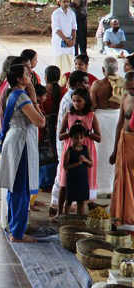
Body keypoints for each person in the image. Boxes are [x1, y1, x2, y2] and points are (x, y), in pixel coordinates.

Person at [0, 63, 46, 242]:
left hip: (16, 140)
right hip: (20, 144)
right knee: (20, 189)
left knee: (15, 187)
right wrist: (34, 98)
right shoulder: (21, 97)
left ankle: (15, 227)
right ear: (19, 78)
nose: (30, 75)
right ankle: (17, 233)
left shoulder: (12, 94)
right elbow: (40, 122)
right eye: (27, 73)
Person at [50, 70, 89, 212]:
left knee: (63, 172)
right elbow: (71, 128)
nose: (88, 85)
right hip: (68, 142)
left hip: (69, 141)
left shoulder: (71, 97)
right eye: (85, 82)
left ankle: (61, 203)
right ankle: (56, 204)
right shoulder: (71, 101)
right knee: (63, 173)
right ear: (78, 83)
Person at [57, 88, 100, 215]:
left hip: (86, 151)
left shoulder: (91, 116)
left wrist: (87, 133)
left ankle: (80, 213)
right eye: (74, 101)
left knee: (83, 182)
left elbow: (98, 137)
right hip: (70, 150)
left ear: (86, 101)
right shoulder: (69, 115)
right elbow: (60, 136)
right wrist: (70, 133)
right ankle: (60, 212)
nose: (76, 103)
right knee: (64, 183)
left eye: (79, 101)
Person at [92, 57, 123, 195]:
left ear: (103, 70)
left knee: (100, 153)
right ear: (116, 70)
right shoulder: (124, 84)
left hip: (101, 120)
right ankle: (114, 187)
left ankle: (99, 187)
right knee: (117, 150)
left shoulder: (97, 85)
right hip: (117, 119)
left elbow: (92, 106)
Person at [110, 72, 134, 226]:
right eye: (129, 88)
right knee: (120, 180)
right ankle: (120, 216)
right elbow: (119, 123)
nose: (131, 90)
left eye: (133, 88)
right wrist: (114, 149)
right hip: (123, 141)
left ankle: (130, 216)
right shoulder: (125, 97)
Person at [63, 123, 92, 215]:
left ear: (84, 138)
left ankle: (79, 221)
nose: (79, 140)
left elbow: (91, 164)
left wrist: (85, 160)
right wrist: (77, 163)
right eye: (76, 137)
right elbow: (65, 167)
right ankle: (65, 220)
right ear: (71, 138)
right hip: (72, 180)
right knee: (69, 200)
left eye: (81, 137)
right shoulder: (69, 151)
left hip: (83, 180)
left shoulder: (86, 149)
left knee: (81, 201)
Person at [51, 0, 78, 75]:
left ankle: (67, 83)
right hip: (59, 43)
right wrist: (66, 39)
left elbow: (74, 28)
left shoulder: (72, 13)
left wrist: (73, 40)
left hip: (70, 43)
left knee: (70, 65)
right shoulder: (56, 13)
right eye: (64, 1)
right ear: (59, 2)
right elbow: (56, 29)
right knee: (59, 65)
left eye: (67, 2)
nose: (66, 3)